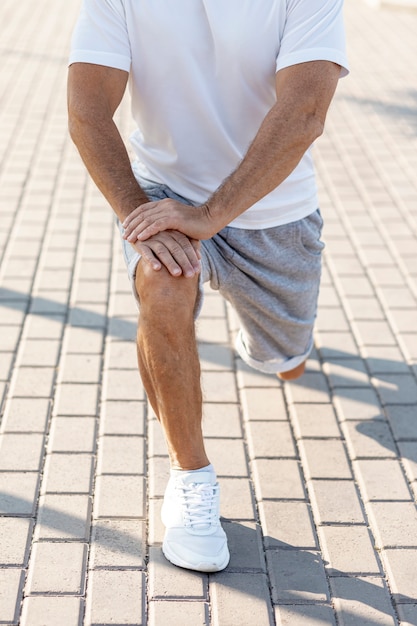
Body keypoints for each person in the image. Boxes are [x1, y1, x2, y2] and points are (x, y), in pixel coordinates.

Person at [67, 0, 349, 573]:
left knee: (286, 362)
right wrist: (137, 213)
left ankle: (273, 351)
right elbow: (88, 111)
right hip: (164, 196)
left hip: (275, 215)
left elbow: (304, 112)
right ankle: (191, 479)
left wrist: (214, 213)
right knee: (161, 287)